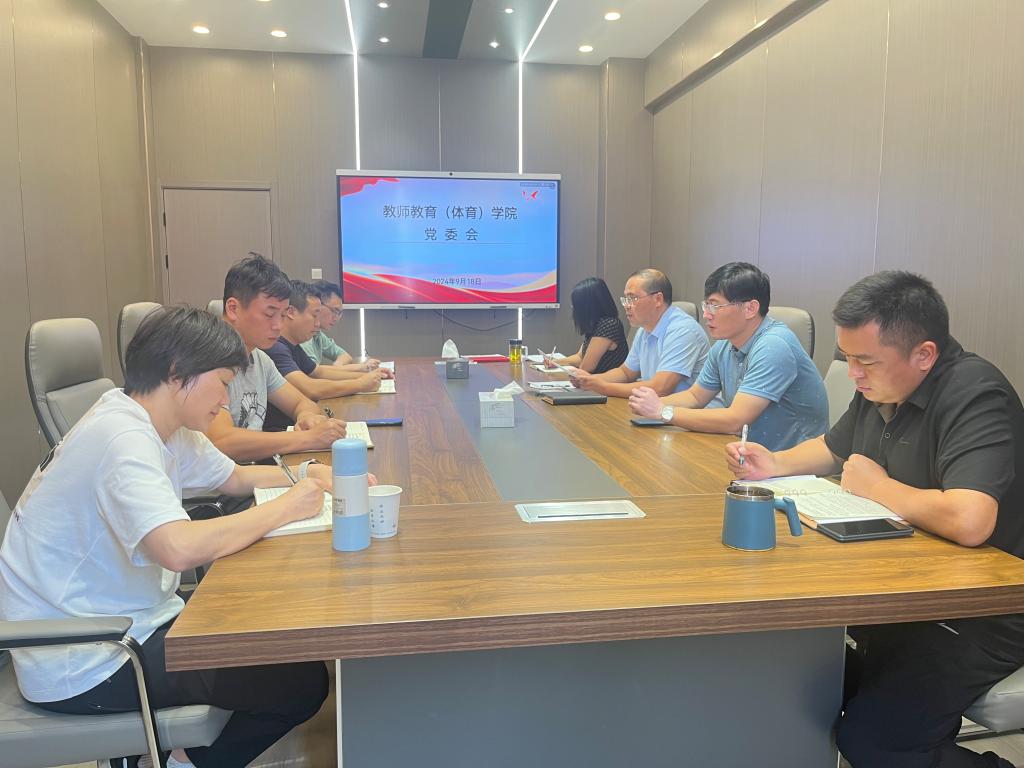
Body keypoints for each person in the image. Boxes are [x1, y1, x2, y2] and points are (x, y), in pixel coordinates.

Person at [0, 306, 335, 768]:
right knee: (299, 682)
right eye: (222, 381)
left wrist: (311, 476)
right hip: (89, 657)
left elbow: (234, 478)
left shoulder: (154, 420)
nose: (226, 398)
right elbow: (177, 549)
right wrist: (289, 506)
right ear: (179, 373)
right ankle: (178, 763)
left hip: (127, 621)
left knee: (276, 638)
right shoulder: (122, 439)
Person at [726, 271, 1024, 768]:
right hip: (908, 589)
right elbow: (835, 448)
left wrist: (877, 487)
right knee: (794, 671)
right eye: (848, 358)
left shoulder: (975, 393)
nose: (854, 375)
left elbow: (971, 519)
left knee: (875, 740)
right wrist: (774, 464)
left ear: (924, 354)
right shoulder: (884, 385)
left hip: (982, 610)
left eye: (865, 361)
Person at [629, 262, 828, 451]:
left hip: (791, 465)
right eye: (706, 305)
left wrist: (664, 412)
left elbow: (736, 420)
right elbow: (695, 396)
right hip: (747, 455)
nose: (706, 315)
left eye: (715, 306)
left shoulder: (774, 346)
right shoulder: (724, 346)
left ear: (750, 308)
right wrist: (651, 404)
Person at [205, 255, 347, 462]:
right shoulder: (206, 360)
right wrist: (308, 438)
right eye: (269, 314)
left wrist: (307, 418)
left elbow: (302, 403)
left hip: (250, 472)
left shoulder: (260, 359)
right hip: (224, 480)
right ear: (233, 309)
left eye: (282, 315)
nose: (278, 326)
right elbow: (222, 441)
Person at [571, 268, 708, 397]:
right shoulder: (643, 330)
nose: (626, 305)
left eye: (632, 298)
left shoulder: (682, 330)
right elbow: (625, 373)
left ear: (658, 299)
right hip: (656, 407)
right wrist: (589, 380)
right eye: (625, 299)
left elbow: (661, 388)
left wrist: (603, 387)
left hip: (688, 411)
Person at [264, 280, 382, 429]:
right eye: (314, 315)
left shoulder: (292, 345)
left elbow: (319, 372)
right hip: (281, 431)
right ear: (291, 313)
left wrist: (366, 376)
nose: (318, 323)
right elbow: (311, 388)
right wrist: (360, 383)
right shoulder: (275, 348)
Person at [302, 279, 390, 375]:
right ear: (318, 305)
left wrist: (337, 368)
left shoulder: (317, 334)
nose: (336, 318)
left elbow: (345, 356)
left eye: (339, 313)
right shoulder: (303, 336)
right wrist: (363, 368)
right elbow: (314, 373)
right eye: (334, 311)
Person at [543, 277, 628, 374]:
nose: (573, 307)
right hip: (595, 381)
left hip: (604, 382)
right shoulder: (596, 324)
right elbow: (580, 357)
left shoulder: (608, 325)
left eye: (576, 304)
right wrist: (555, 362)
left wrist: (571, 371)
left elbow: (586, 367)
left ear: (587, 305)